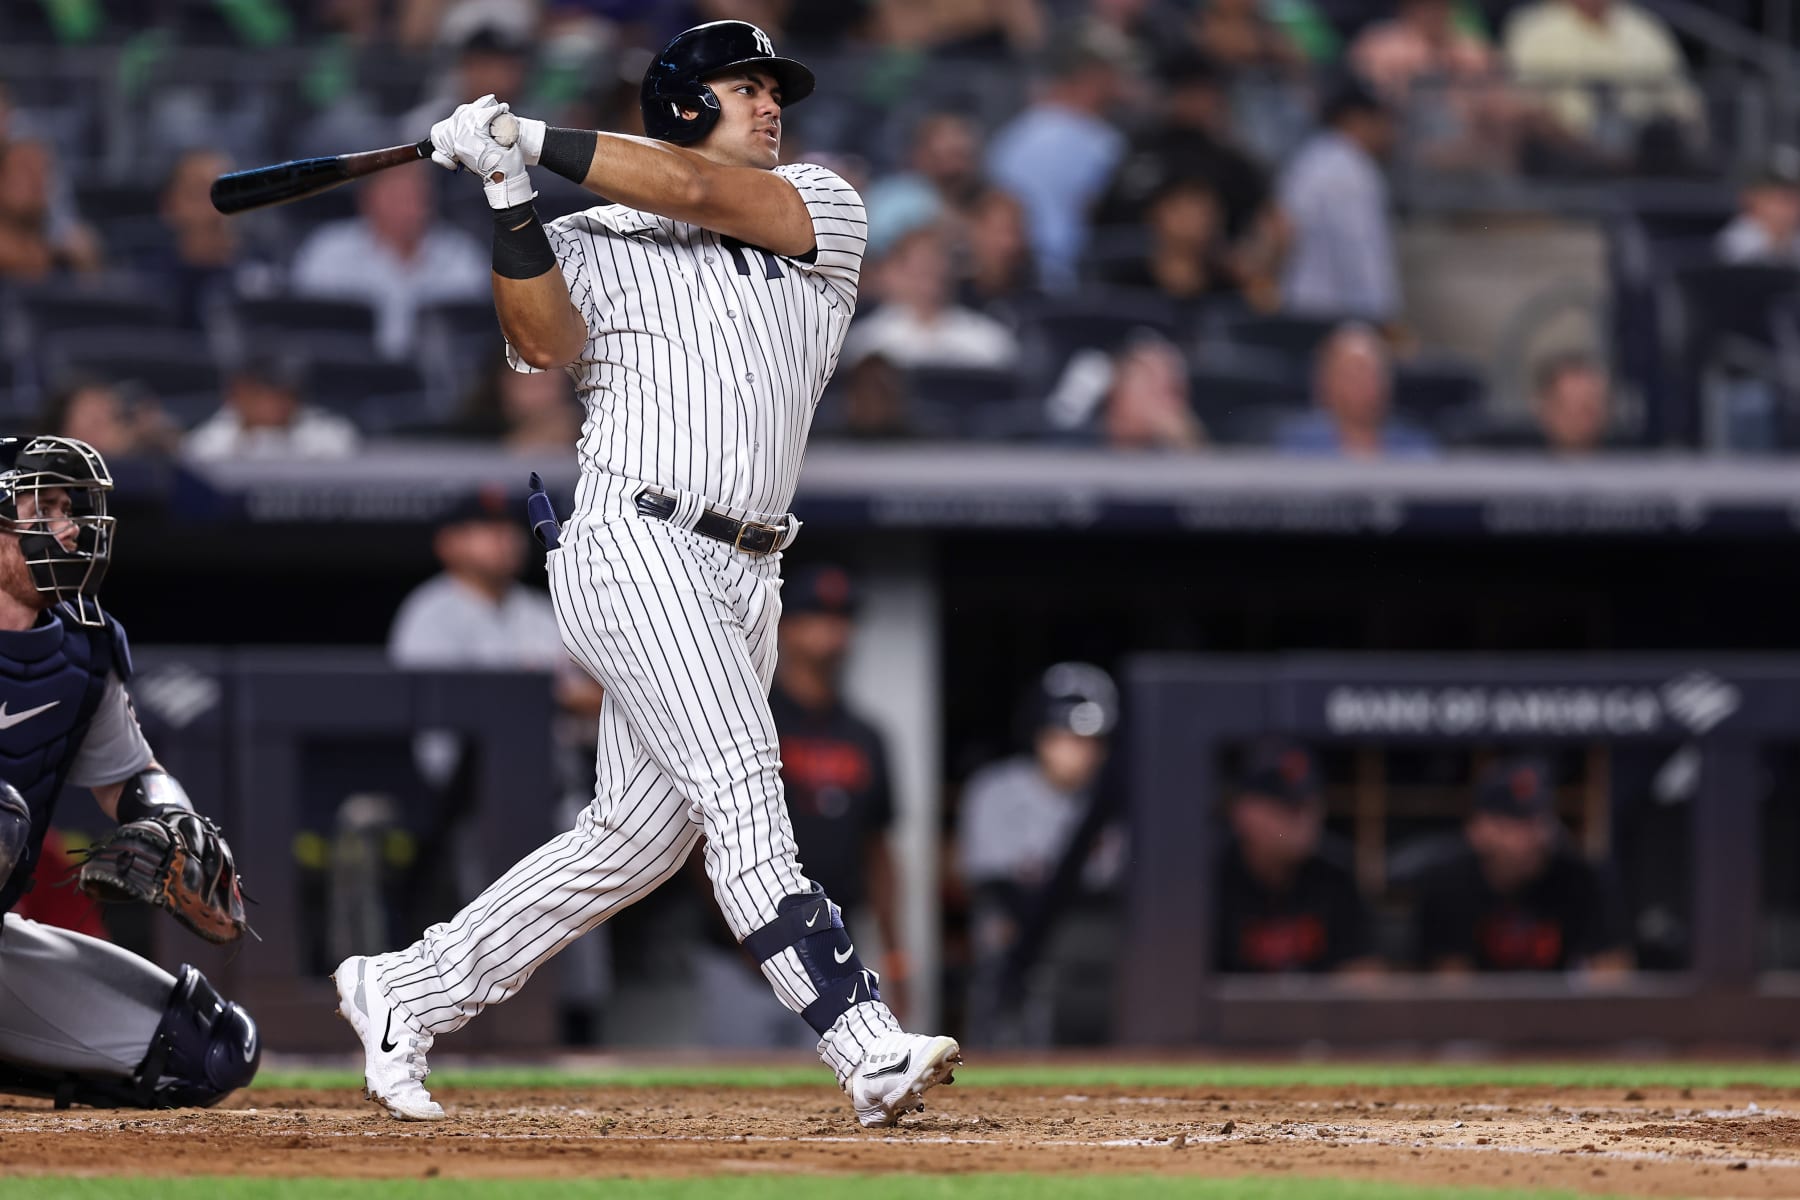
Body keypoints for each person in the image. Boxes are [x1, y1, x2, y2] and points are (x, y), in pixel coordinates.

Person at [333, 20, 961, 1128]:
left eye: (775, 88)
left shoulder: (824, 207)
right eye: (744, 87)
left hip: (752, 566)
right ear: (682, 100)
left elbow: (704, 194)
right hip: (635, 542)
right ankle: (863, 1044)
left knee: (633, 841)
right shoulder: (595, 233)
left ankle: (407, 987)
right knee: (741, 782)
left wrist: (525, 133)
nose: (771, 105)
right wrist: (506, 195)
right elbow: (537, 342)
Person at [0, 435, 259, 1108]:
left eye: (71, 509)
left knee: (208, 1052)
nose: (71, 528)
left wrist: (172, 821)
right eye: (45, 508)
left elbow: (131, 776)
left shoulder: (81, 648)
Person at [956, 663, 1125, 1042]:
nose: (1079, 751)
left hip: (1091, 951)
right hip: (1018, 946)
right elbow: (999, 889)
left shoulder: (1117, 801)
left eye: (1091, 741)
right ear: (1039, 735)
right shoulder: (996, 790)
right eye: (1065, 736)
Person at [1414, 755, 1632, 973]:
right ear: (1479, 829)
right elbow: (1449, 986)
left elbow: (1612, 973)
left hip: (1559, 1004)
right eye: (1518, 823)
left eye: (1541, 819)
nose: (1535, 835)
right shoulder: (1449, 883)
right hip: (1481, 1006)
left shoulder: (1582, 878)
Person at [1094, 50, 1285, 294]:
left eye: (1204, 93)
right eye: (1186, 92)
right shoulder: (1140, 151)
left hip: (1215, 279)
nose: (1198, 101)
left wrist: (1252, 262)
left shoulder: (1228, 161)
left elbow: (1274, 224)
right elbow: (1101, 220)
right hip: (1139, 277)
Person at [288, 165, 489, 360]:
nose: (410, 207)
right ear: (367, 199)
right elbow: (308, 333)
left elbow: (473, 338)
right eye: (397, 197)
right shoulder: (328, 252)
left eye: (417, 195)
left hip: (435, 380)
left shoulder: (461, 255)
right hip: (345, 376)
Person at [1213, 739, 1376, 974]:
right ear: (1244, 812)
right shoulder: (1207, 881)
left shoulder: (1335, 875)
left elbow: (1365, 977)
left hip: (1318, 1011)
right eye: (1290, 807)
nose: (1306, 820)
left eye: (1312, 804)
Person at [986, 36, 1128, 289]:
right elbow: (1092, 205)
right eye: (1108, 78)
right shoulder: (1103, 142)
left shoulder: (1012, 132)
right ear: (1089, 80)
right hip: (1056, 263)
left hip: (1018, 261)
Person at [1502, 0, 1702, 160]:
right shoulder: (1534, 29)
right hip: (1565, 157)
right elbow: (1525, 106)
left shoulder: (1646, 29)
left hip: (1645, 156)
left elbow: (1684, 105)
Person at [1278, 76, 1400, 323]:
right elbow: (1359, 252)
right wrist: (1383, 318)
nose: (1390, 131)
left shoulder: (1308, 159)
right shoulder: (1352, 169)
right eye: (1382, 120)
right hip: (1338, 314)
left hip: (1299, 305)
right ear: (1355, 119)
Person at [844, 225, 1021, 371]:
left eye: (936, 268)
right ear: (893, 273)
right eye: (919, 270)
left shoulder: (989, 342)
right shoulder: (866, 344)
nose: (929, 280)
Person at [1274, 323, 1436, 458]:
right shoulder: (1298, 444)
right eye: (1352, 373)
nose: (1363, 382)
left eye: (1372, 372)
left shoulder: (1414, 443)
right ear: (1325, 382)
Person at [183, 355, 361, 461]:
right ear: (236, 394)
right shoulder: (206, 443)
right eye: (260, 393)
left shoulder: (328, 435)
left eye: (285, 394)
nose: (274, 403)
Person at [0, 138, 101, 283]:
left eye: (43, 172)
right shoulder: (53, 254)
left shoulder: (63, 253)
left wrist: (87, 267)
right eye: (25, 171)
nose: (37, 182)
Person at [1717, 149, 1800, 268]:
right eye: (1779, 198)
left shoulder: (1796, 239)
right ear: (1751, 198)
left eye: (1795, 197)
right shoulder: (1735, 245)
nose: (1790, 208)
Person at [1531, 350, 1616, 454]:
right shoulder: (1517, 466)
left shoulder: (1632, 464)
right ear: (1544, 408)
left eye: (1588, 407)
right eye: (1568, 408)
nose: (1581, 419)